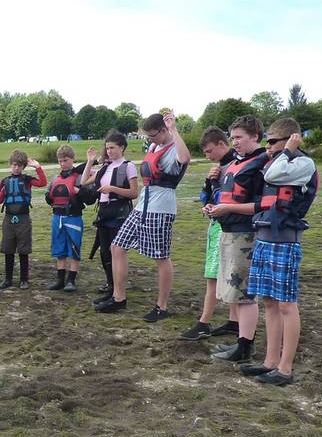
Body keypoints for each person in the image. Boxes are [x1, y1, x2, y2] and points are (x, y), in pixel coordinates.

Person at [239, 119, 318, 386]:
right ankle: (270, 362)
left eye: (273, 141)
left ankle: (285, 368)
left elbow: (272, 176)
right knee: (270, 303)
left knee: (286, 305)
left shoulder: (303, 164)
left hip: (285, 241)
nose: (268, 145)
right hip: (264, 236)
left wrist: (287, 152)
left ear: (291, 139)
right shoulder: (277, 160)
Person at [95, 112, 190, 321]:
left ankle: (161, 306)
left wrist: (174, 128)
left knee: (160, 257)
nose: (149, 140)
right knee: (117, 247)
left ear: (164, 131)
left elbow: (185, 159)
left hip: (161, 210)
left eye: (152, 136)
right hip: (142, 207)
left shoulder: (174, 147)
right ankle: (118, 298)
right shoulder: (155, 146)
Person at [205, 116, 270, 363]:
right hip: (230, 231)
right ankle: (241, 342)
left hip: (246, 233)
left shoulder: (261, 165)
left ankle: (245, 347)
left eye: (239, 137)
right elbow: (227, 196)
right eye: (232, 137)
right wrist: (213, 197)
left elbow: (261, 204)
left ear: (255, 136)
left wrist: (228, 209)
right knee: (237, 294)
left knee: (244, 294)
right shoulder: (236, 163)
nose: (235, 142)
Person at [179, 128, 239, 340]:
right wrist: (208, 183)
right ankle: (234, 321)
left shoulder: (236, 166)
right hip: (218, 225)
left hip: (227, 227)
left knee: (213, 276)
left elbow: (229, 198)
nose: (208, 156)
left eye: (210, 151)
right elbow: (207, 197)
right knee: (228, 275)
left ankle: (204, 322)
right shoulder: (220, 167)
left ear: (223, 144)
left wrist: (213, 188)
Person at [82, 134, 139, 298]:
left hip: (119, 213)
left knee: (117, 252)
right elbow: (85, 180)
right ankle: (110, 284)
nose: (109, 151)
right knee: (105, 252)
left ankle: (118, 289)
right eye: (107, 148)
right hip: (104, 213)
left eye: (112, 147)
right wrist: (90, 160)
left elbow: (134, 193)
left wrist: (112, 189)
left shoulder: (128, 166)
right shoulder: (105, 168)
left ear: (122, 147)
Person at [0, 149, 47, 289]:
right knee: (8, 249)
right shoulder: (5, 181)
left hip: (23, 218)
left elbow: (42, 183)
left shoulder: (27, 180)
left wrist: (38, 167)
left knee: (23, 250)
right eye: (14, 165)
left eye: (19, 165)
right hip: (9, 219)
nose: (16, 168)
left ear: (23, 167)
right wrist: (2, 192)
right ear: (10, 165)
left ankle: (24, 279)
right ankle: (8, 279)